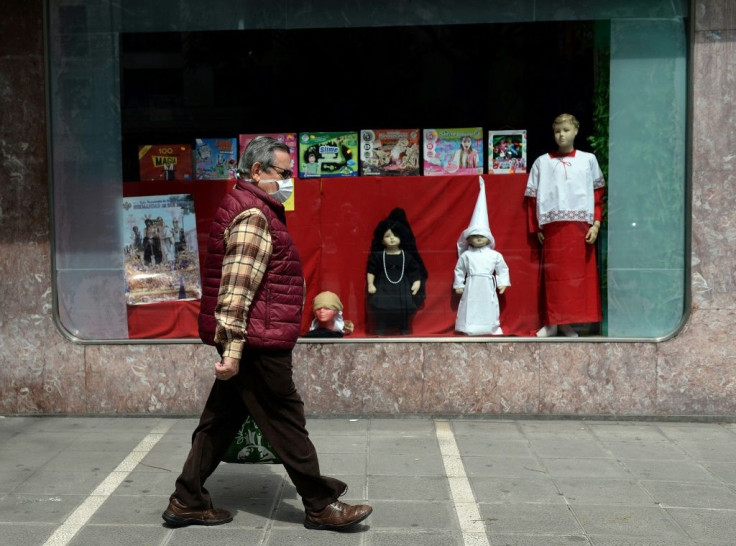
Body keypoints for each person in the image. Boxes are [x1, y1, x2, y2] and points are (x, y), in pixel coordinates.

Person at [162, 136, 372, 531]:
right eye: (283, 173)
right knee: (285, 419)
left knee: (219, 420)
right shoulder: (254, 214)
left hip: (253, 337)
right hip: (258, 342)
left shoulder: (250, 206)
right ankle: (319, 504)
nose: (289, 180)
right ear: (257, 171)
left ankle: (187, 499)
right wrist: (235, 350)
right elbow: (236, 289)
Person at [524, 113, 605, 337]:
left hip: (580, 229)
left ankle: (567, 323)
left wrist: (596, 224)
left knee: (575, 280)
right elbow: (532, 198)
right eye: (558, 131)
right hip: (552, 228)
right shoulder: (542, 162)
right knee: (554, 278)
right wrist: (537, 227)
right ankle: (552, 322)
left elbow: (598, 194)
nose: (562, 135)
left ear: (576, 131)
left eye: (566, 130)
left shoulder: (588, 160)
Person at [454, 178, 510, 335]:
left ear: (489, 238)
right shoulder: (466, 256)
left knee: (488, 305)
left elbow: (502, 269)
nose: (478, 238)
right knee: (470, 305)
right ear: (468, 238)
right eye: (474, 236)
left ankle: (490, 327)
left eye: (481, 236)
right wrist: (459, 284)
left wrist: (503, 282)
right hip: (471, 284)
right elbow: (459, 270)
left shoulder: (495, 255)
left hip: (487, 285)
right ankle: (468, 326)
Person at [366, 208, 427, 335]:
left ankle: (404, 328)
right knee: (381, 309)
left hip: (401, 288)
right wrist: (371, 284)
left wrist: (417, 283)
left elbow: (414, 271)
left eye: (395, 235)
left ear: (401, 238)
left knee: (403, 310)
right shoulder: (378, 256)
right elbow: (371, 270)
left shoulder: (407, 256)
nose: (392, 239)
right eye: (388, 236)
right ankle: (380, 328)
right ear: (382, 240)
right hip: (383, 287)